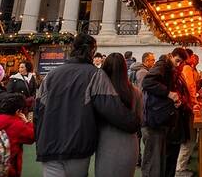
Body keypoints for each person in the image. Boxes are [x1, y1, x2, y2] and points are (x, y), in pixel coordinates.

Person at [34, 34, 140, 176]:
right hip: (77, 146)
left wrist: (40, 139)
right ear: (91, 51)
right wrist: (133, 123)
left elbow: (38, 112)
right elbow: (111, 108)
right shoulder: (95, 75)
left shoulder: (50, 75)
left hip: (48, 145)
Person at [141, 47, 190, 177]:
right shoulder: (163, 65)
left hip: (164, 119)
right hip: (156, 119)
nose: (179, 64)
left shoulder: (172, 69)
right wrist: (169, 94)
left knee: (163, 161)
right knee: (155, 162)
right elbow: (148, 82)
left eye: (181, 62)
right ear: (171, 56)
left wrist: (176, 100)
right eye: (177, 61)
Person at [95, 53, 143, 177]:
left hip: (106, 142)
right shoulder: (135, 92)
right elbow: (140, 119)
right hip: (130, 143)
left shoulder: (101, 93)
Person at [0, 93, 35, 177]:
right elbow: (32, 136)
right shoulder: (17, 124)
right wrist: (26, 122)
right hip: (6, 168)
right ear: (18, 111)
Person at [176, 50, 200, 175]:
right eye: (193, 57)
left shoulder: (184, 68)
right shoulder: (187, 69)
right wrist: (194, 102)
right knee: (189, 139)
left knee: (188, 139)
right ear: (189, 57)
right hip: (188, 107)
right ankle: (180, 169)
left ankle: (180, 167)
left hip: (186, 106)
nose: (195, 59)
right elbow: (191, 86)